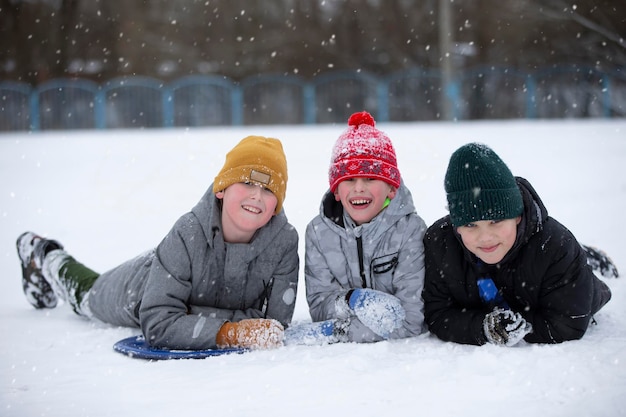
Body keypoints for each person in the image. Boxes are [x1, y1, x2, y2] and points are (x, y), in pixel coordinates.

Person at [17, 136, 299, 351]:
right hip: (140, 287)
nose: (256, 197)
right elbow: (157, 322)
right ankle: (44, 253)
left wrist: (190, 315)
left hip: (176, 291)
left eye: (268, 190)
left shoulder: (284, 242)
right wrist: (230, 332)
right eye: (247, 184)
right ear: (222, 189)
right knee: (86, 294)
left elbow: (274, 325)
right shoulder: (187, 232)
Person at [422, 142, 618, 347]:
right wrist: (482, 328)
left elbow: (568, 324)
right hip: (509, 288)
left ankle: (594, 258)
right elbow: (437, 314)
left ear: (517, 216)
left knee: (589, 270)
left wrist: (520, 327)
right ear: (457, 226)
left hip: (569, 277)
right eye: (471, 224)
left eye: (495, 221)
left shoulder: (555, 246)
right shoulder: (440, 244)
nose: (485, 236)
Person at [285, 111, 427, 345]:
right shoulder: (320, 233)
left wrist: (336, 331)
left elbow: (410, 321)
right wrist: (351, 299)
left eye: (370, 178)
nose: (358, 188)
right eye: (349, 179)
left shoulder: (409, 230)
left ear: (391, 189)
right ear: (336, 191)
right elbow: (320, 307)